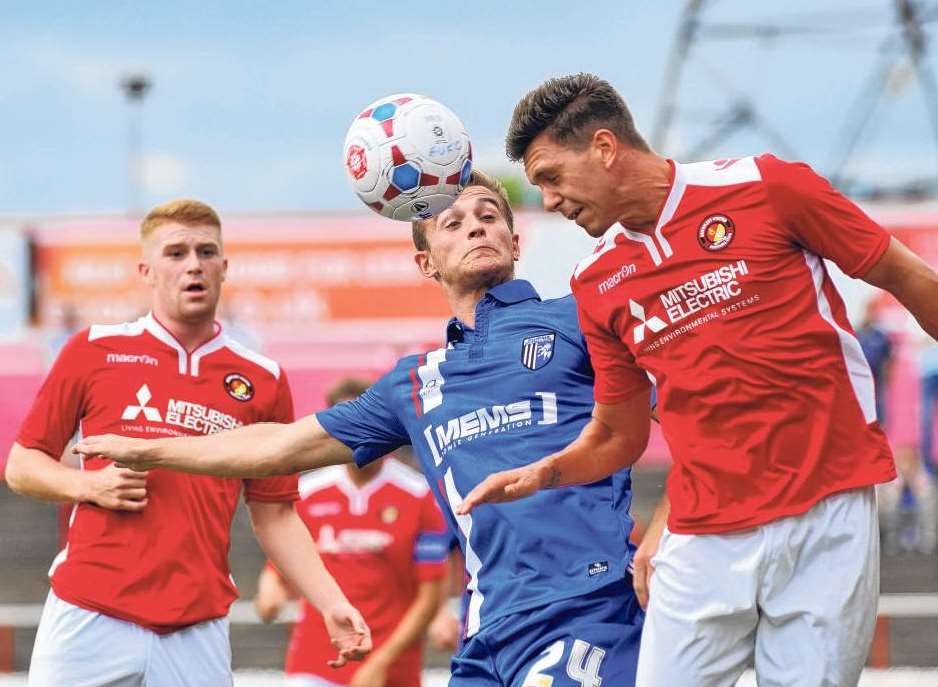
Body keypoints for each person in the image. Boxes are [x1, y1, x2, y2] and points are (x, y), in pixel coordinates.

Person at [75, 172, 648, 687]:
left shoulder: (579, 318)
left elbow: (700, 407)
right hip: (487, 636)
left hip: (587, 610)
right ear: (427, 263)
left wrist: (667, 534)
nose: (475, 227)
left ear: (515, 242)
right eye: (452, 222)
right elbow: (278, 443)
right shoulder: (415, 382)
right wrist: (153, 450)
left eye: (489, 217)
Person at [458, 73, 938, 687]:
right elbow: (618, 435)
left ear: (604, 148)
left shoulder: (767, 187)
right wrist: (547, 471)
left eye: (551, 176)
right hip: (702, 537)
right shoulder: (595, 281)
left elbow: (909, 277)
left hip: (827, 514)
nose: (549, 201)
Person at [5, 199, 370, 686]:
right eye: (175, 253)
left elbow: (275, 513)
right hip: (88, 612)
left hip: (195, 627)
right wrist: (86, 488)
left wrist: (330, 602)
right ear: (147, 269)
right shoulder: (93, 350)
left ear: (224, 267)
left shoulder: (263, 379)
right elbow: (22, 464)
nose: (193, 264)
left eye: (206, 251)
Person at [254, 377, 450, 687]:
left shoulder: (418, 494)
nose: (353, 435)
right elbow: (282, 564)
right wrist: (270, 588)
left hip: (389, 668)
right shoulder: (309, 490)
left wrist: (382, 662)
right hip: (314, 662)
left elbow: (429, 597)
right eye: (342, 425)